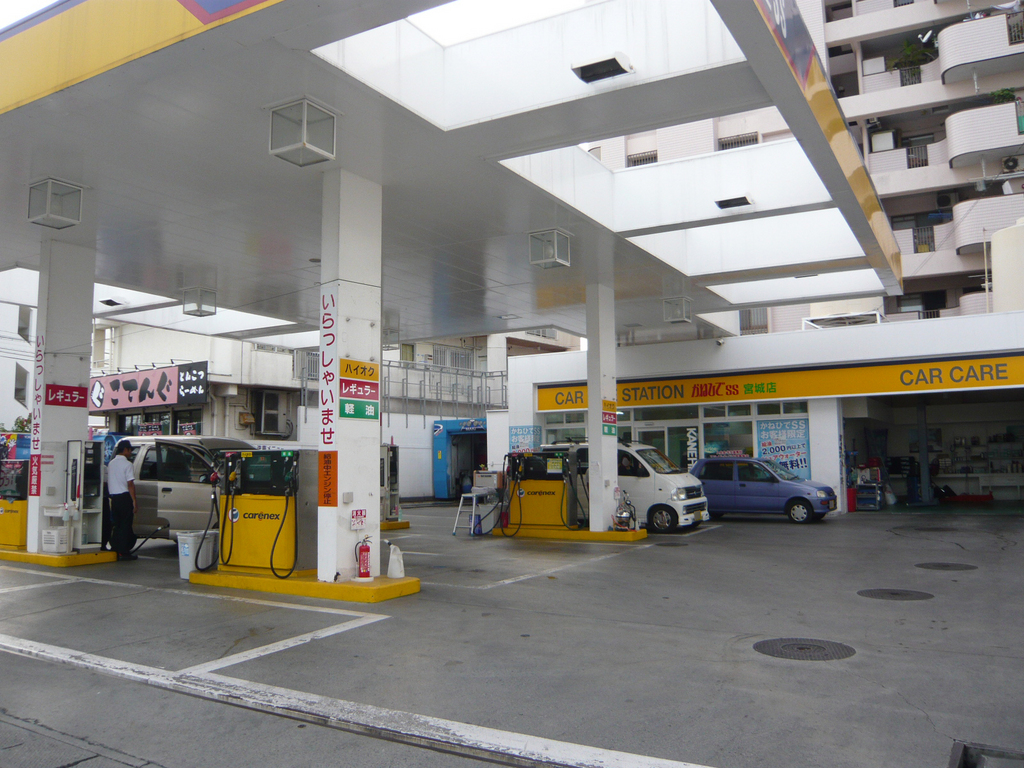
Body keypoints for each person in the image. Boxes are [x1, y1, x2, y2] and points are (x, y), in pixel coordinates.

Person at [107, 441, 137, 561]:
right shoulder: (128, 464)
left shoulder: (111, 463)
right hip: (124, 497)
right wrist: (134, 501)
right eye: (129, 450)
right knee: (125, 525)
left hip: (114, 498)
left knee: (117, 524)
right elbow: (130, 484)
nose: (130, 453)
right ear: (125, 450)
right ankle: (124, 552)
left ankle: (115, 548)